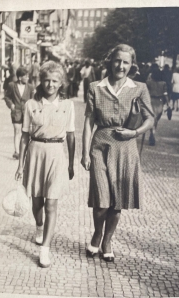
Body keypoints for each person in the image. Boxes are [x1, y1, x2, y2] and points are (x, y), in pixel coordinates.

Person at [81, 44, 154, 262]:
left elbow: (150, 119)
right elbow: (88, 122)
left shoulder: (139, 88)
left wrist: (134, 132)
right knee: (101, 200)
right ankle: (96, 234)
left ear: (132, 65)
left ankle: (107, 241)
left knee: (117, 201)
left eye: (126, 62)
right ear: (110, 61)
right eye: (117, 61)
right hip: (100, 146)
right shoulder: (95, 87)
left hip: (126, 149)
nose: (120, 66)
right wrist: (85, 153)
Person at [15, 61, 75, 268]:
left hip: (57, 154)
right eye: (47, 80)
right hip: (35, 152)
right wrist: (20, 165)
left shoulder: (68, 105)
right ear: (41, 81)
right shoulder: (31, 105)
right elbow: (24, 137)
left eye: (55, 81)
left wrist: (71, 164)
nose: (50, 84)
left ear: (61, 83)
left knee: (51, 203)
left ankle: (45, 250)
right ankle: (39, 226)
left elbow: (71, 135)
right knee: (37, 202)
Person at [4, 66, 34, 159]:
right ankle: (16, 152)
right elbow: (7, 97)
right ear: (20, 77)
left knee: (26, 132)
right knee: (17, 131)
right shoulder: (12, 85)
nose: (28, 78)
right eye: (26, 76)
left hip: (27, 113)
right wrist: (11, 104)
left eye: (28, 76)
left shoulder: (30, 87)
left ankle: (25, 151)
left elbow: (33, 100)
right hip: (16, 112)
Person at [146, 68, 169, 146]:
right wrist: (168, 104)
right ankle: (153, 132)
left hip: (150, 101)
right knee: (156, 120)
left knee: (152, 119)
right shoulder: (163, 83)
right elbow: (165, 94)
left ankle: (152, 132)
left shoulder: (148, 82)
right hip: (159, 102)